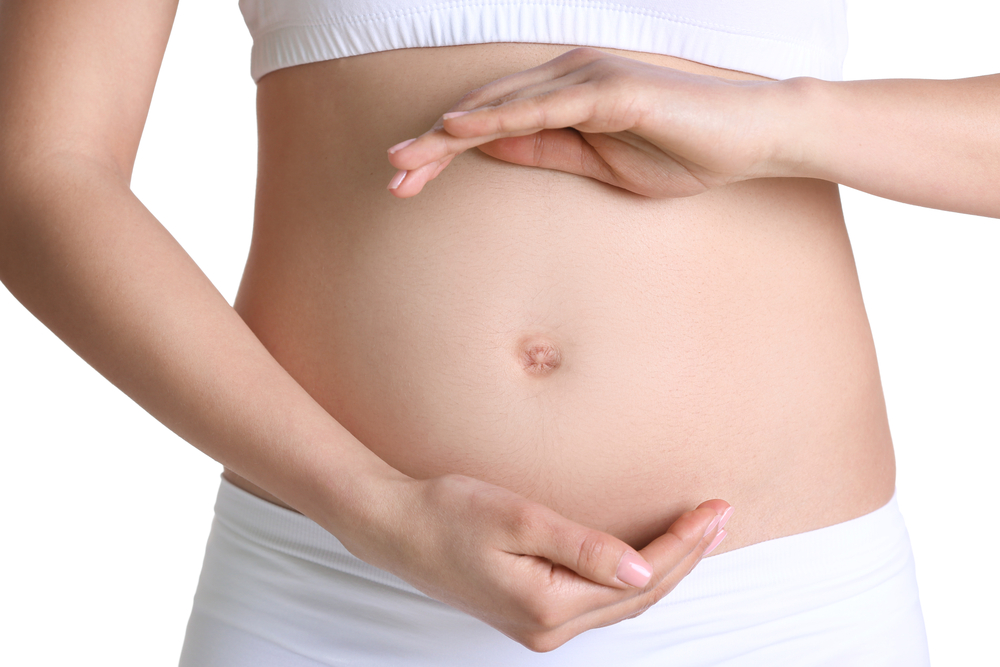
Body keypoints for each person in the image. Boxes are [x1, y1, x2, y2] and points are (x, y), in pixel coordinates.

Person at [0, 0, 995, 664]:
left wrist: (783, 125)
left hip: (781, 608)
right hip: (333, 591)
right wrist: (369, 505)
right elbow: (38, 171)